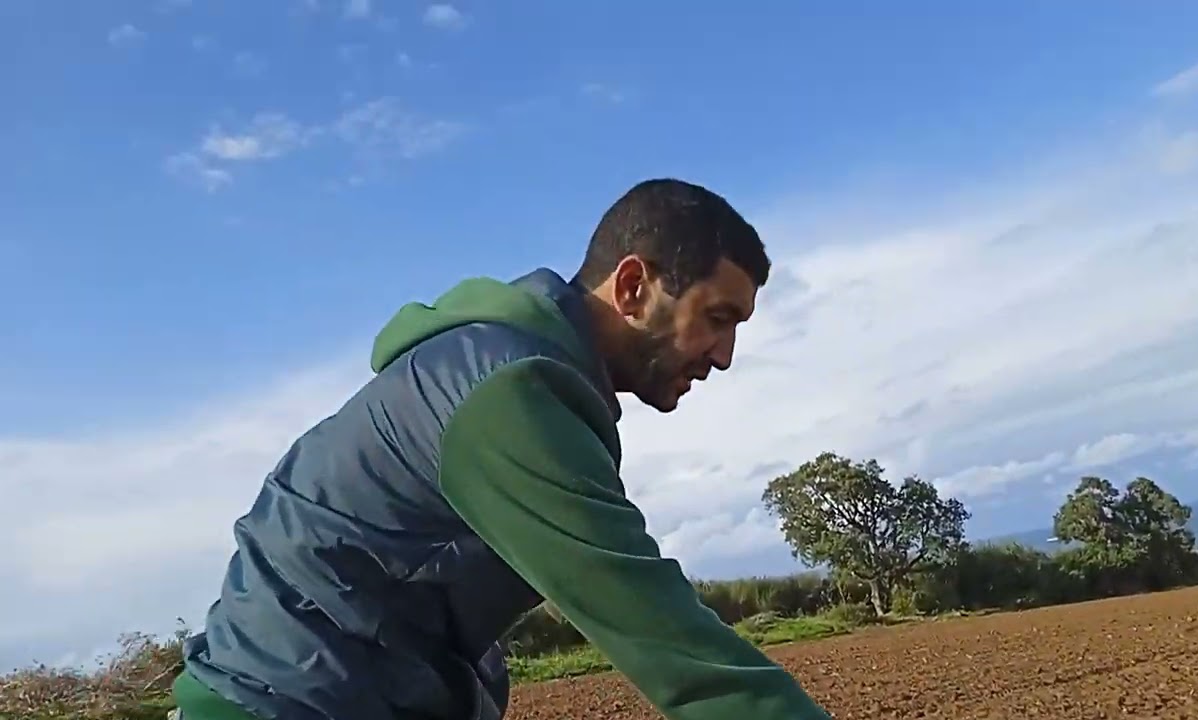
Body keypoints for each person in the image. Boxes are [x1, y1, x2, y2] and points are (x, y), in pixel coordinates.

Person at [169, 178, 831, 720]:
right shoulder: (506, 393)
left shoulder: (513, 375)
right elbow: (659, 631)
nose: (726, 355)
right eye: (717, 319)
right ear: (633, 288)